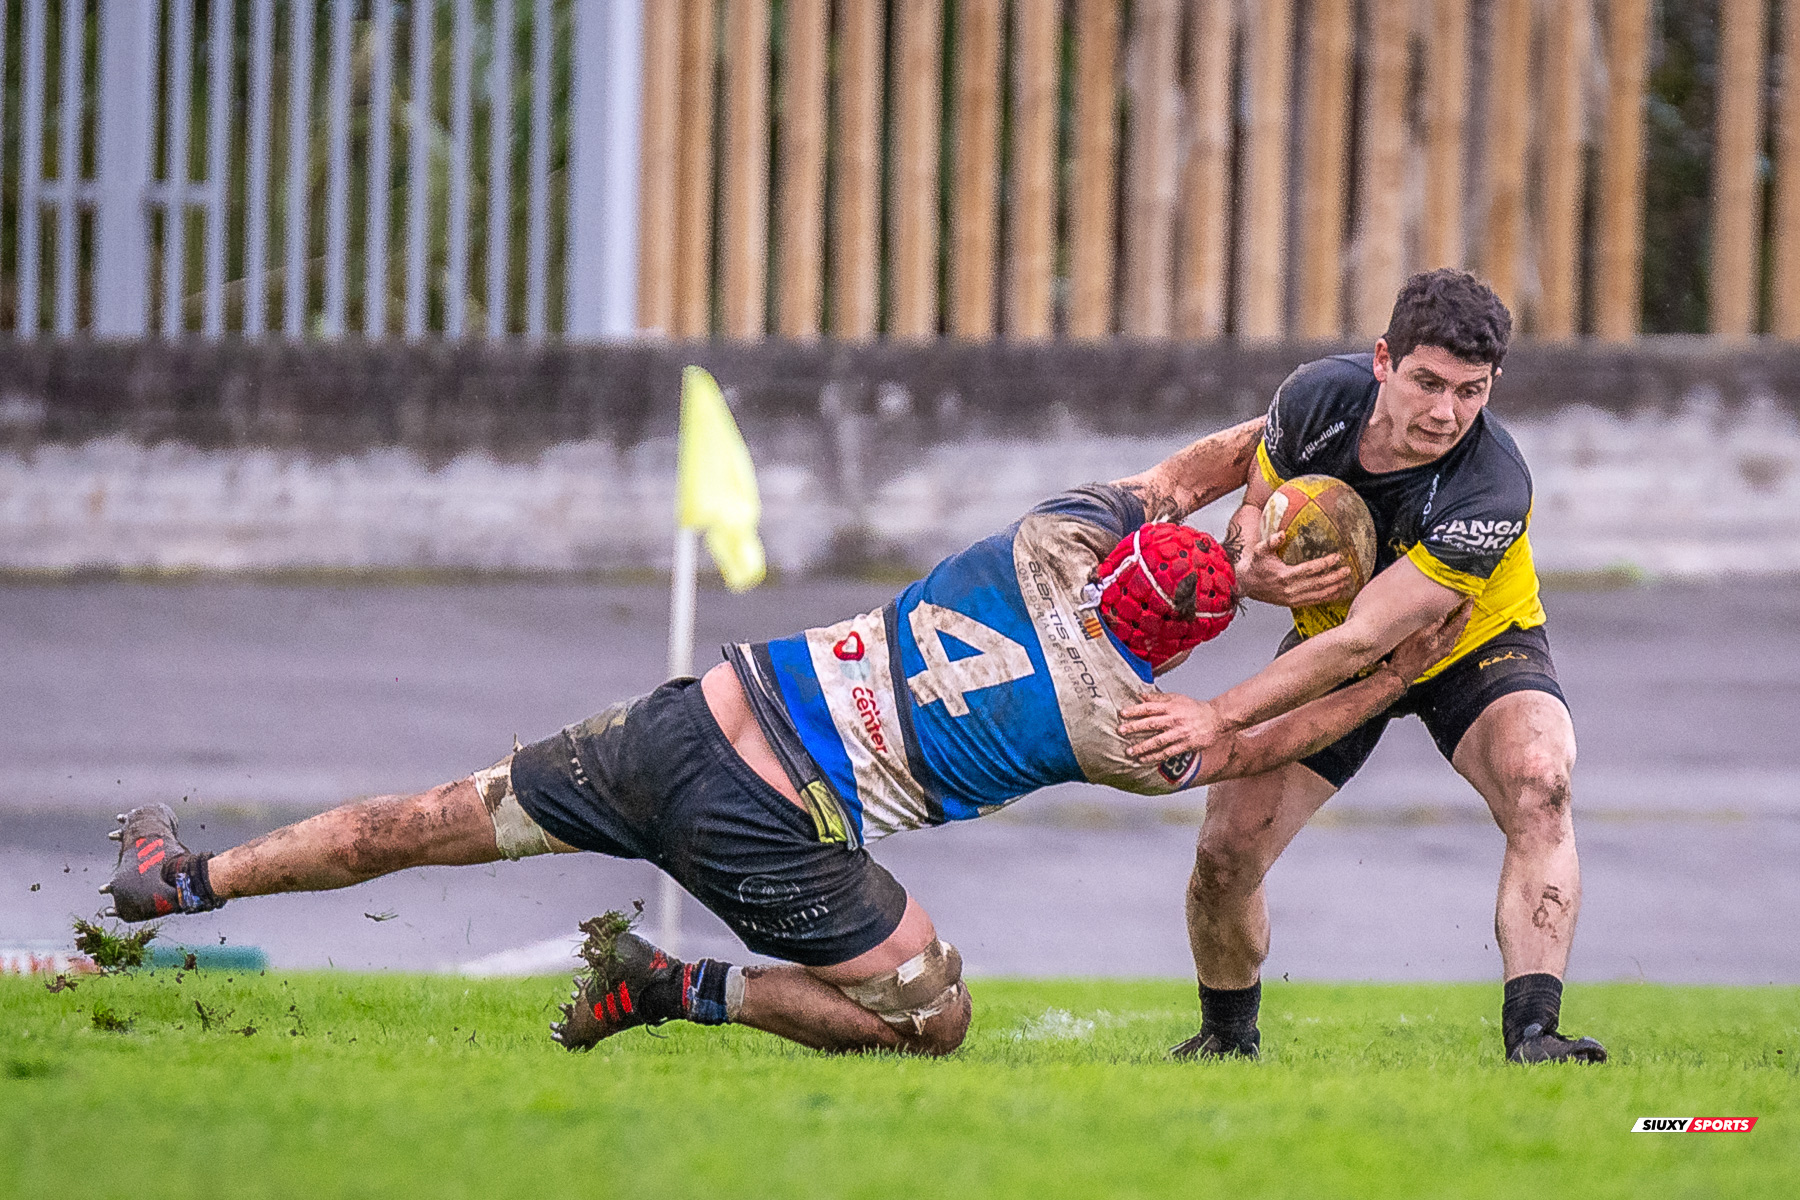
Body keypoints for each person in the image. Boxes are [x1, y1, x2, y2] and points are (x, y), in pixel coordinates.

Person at [101, 417, 1465, 1059]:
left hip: (691, 718)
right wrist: (1394, 668)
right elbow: (1258, 739)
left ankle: (184, 877)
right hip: (777, 828)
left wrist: (1277, 443)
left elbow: (1174, 476)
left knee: (422, 825)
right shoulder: (1133, 724)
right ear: (1180, 646)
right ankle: (669, 989)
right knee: (935, 1019)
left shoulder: (1048, 533)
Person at [1120, 269, 1606, 1064]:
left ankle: (1534, 1037)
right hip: (1331, 642)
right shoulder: (1315, 402)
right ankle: (1226, 1040)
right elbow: (1250, 512)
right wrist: (1250, 568)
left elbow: (1367, 638)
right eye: (1427, 382)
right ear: (1383, 360)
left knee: (1540, 776)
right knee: (1225, 852)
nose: (1446, 412)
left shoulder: (1491, 485)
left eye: (1471, 391)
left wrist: (1220, 715)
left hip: (1470, 644)